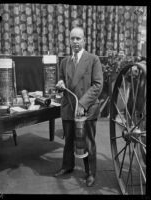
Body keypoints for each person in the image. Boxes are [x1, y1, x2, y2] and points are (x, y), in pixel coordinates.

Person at [54, 27, 103, 187]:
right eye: (72, 38)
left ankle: (90, 173)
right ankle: (67, 166)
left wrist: (82, 103)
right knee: (69, 139)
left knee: (88, 141)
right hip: (69, 107)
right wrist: (60, 84)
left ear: (84, 40)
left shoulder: (93, 59)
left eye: (78, 38)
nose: (75, 41)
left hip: (87, 109)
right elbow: (61, 81)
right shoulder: (64, 62)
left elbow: (97, 85)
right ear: (69, 40)